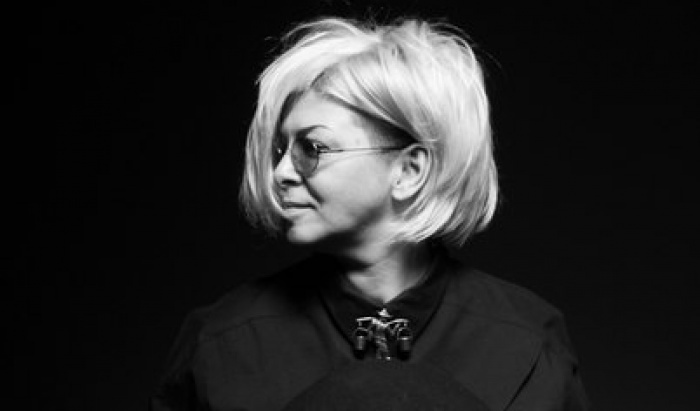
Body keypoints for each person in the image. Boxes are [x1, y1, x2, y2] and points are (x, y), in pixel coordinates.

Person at [150, 15, 589, 411]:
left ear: (409, 170)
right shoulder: (223, 344)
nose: (280, 173)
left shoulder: (527, 343)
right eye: (281, 150)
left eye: (312, 148)